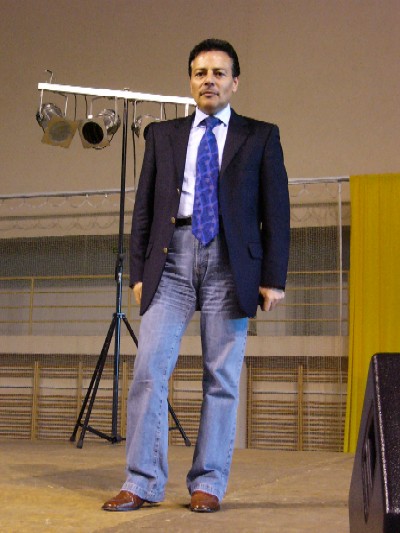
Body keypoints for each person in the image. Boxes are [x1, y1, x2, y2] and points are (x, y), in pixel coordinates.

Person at [102, 38, 290, 514]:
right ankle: (142, 481)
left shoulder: (261, 136)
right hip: (171, 259)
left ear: (235, 82)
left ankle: (208, 482)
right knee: (149, 370)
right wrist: (140, 271)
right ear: (190, 81)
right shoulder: (162, 136)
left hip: (231, 261)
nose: (209, 80)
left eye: (218, 73)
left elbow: (276, 211)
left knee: (220, 376)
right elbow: (144, 209)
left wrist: (273, 278)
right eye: (200, 72)